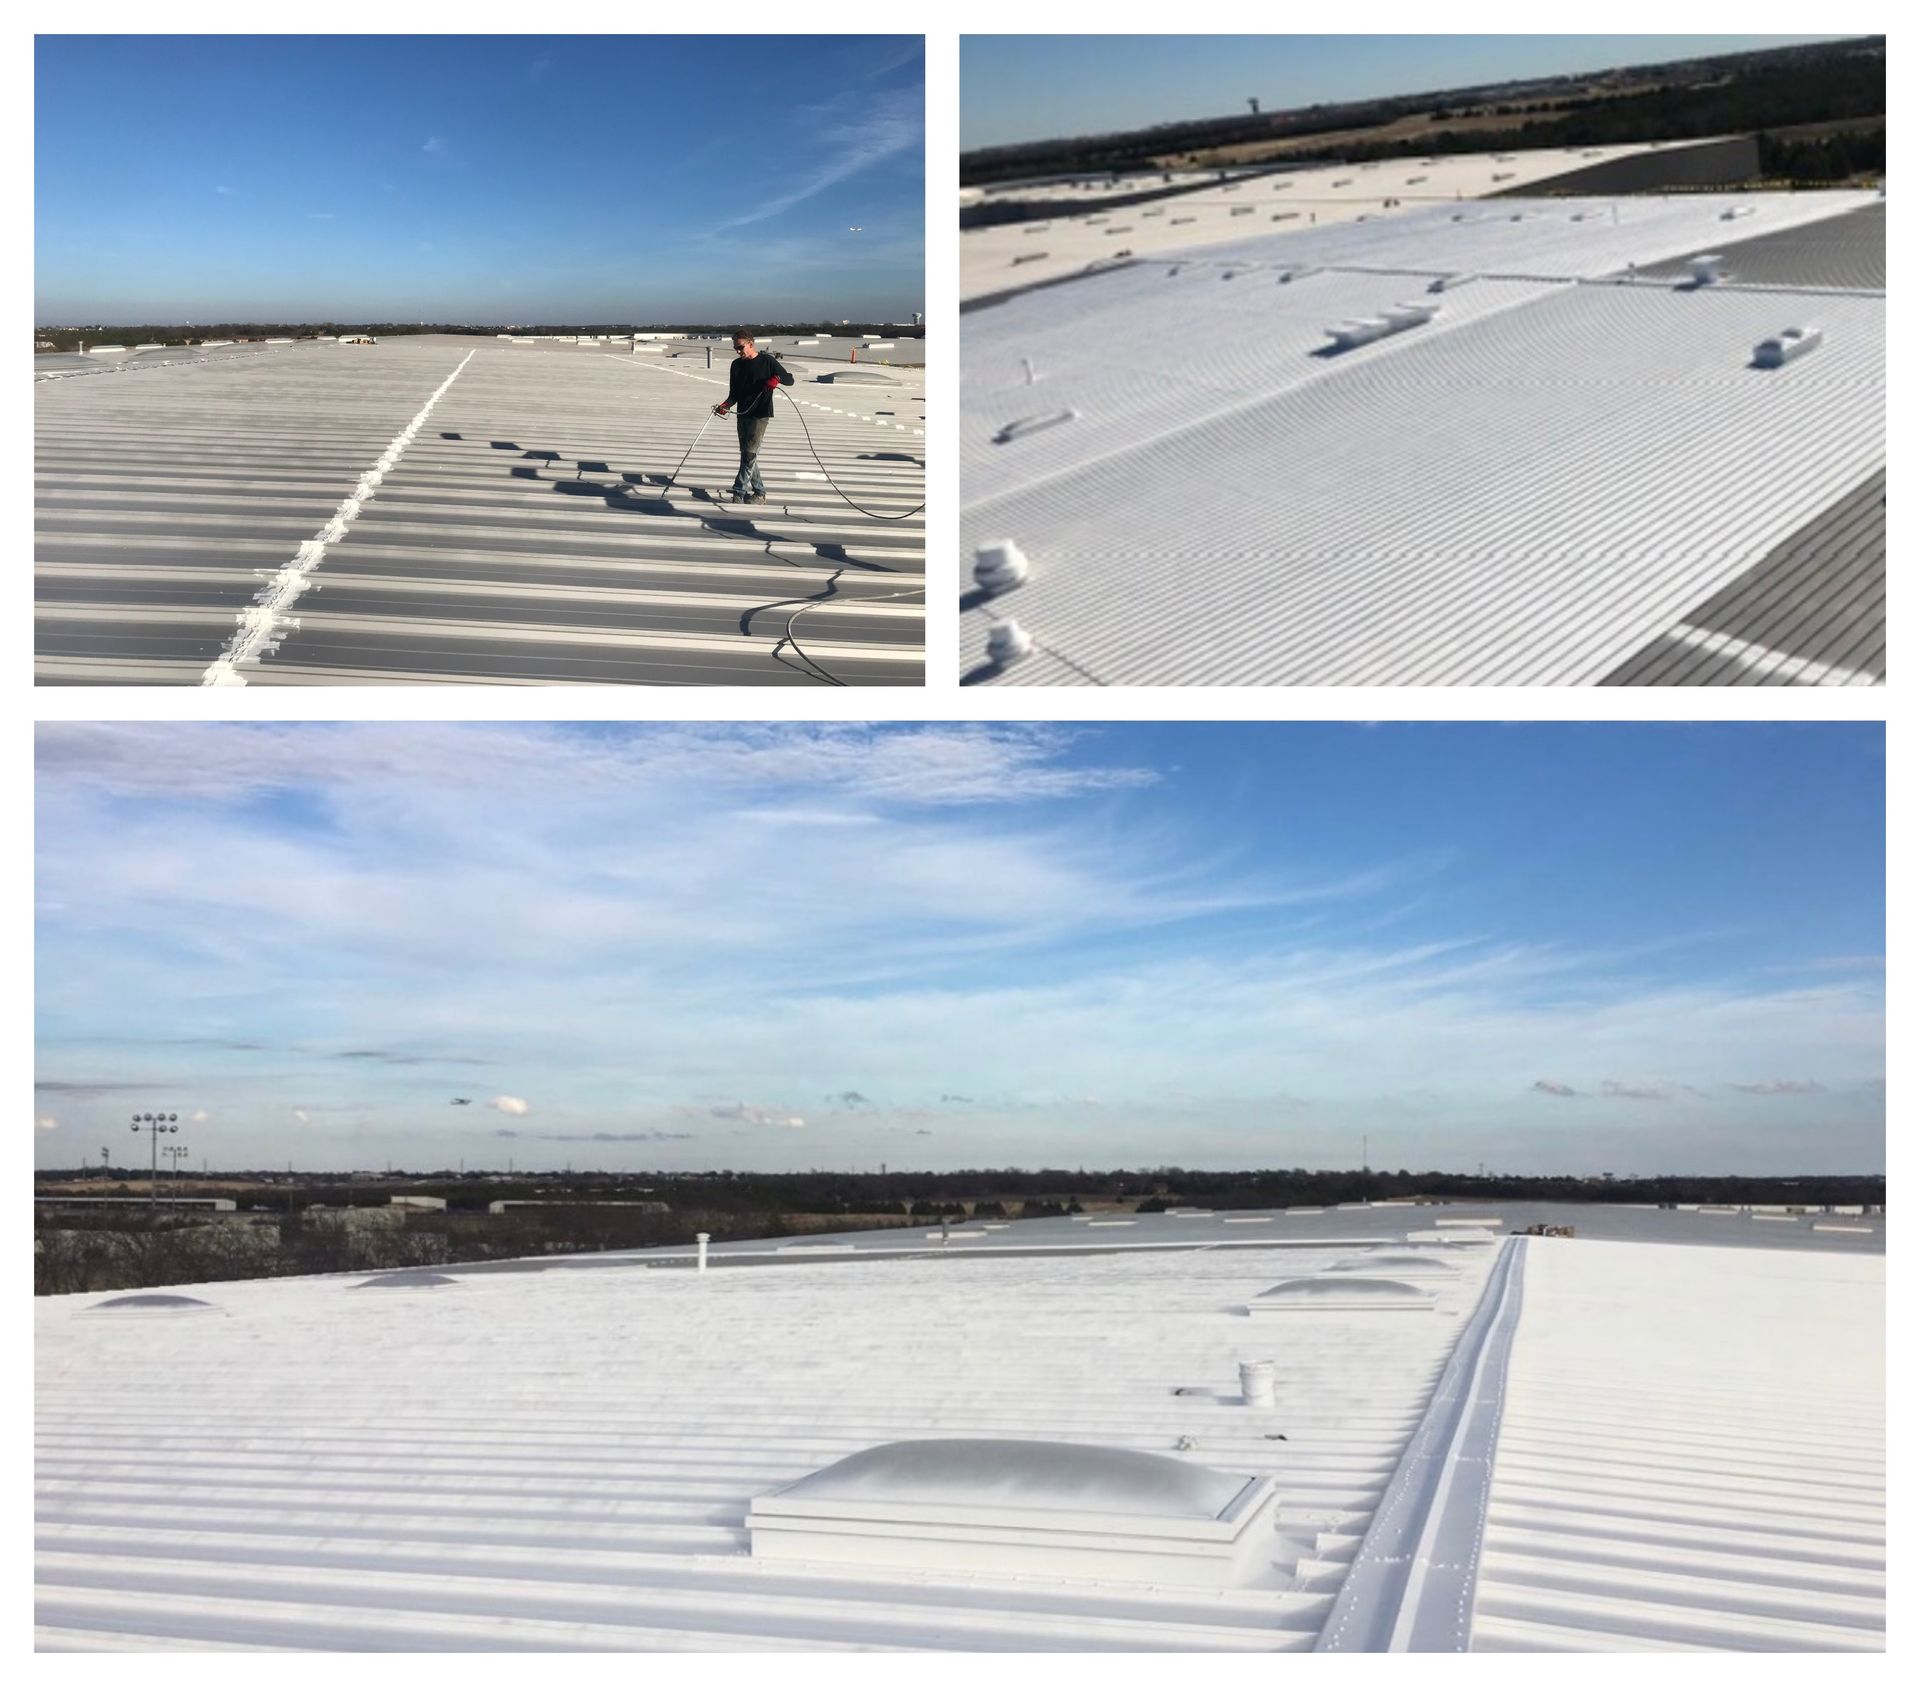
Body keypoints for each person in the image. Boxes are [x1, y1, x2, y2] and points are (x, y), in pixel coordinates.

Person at [712, 331, 794, 503]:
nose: (737, 351)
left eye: (740, 347)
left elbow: (789, 379)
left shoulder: (767, 361)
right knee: (747, 454)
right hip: (743, 413)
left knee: (749, 454)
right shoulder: (736, 365)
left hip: (760, 414)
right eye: (735, 348)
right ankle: (760, 492)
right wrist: (725, 406)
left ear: (751, 344)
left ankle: (738, 491)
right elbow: (734, 393)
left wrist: (776, 378)